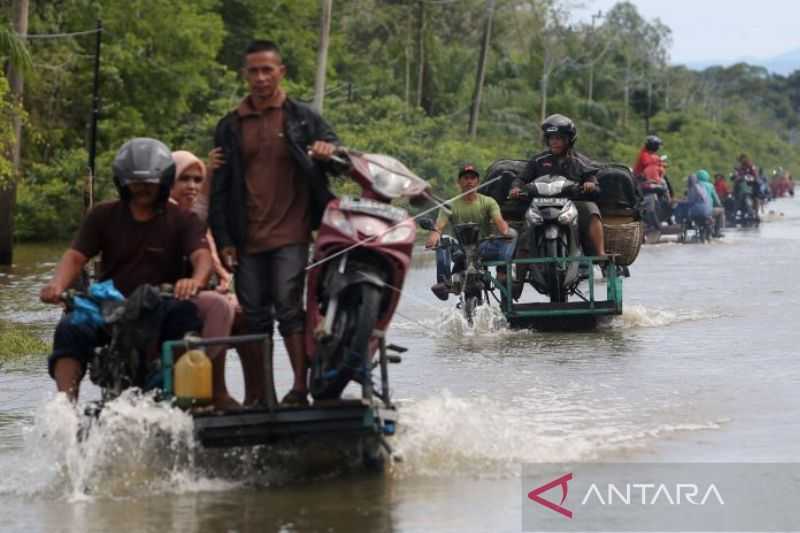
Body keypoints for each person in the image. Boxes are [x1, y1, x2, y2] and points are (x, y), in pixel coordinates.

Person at [208, 40, 339, 407]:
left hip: (293, 232)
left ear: (281, 72)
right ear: (245, 75)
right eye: (254, 71)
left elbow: (333, 145)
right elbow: (220, 188)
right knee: (254, 317)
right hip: (247, 237)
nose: (261, 77)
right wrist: (223, 239)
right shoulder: (230, 126)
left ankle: (299, 388)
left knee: (288, 308)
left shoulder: (301, 117)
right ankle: (261, 394)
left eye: (268, 70)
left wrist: (328, 151)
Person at [39, 138, 212, 401]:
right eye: (135, 182)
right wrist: (57, 285)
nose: (142, 188)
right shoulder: (102, 215)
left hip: (160, 304)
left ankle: (180, 396)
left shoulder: (183, 220)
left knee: (186, 315)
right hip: (110, 307)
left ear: (163, 182)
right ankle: (65, 408)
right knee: (70, 327)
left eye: (149, 183)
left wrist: (195, 281)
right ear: (123, 182)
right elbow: (75, 257)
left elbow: (202, 257)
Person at [511, 113, 605, 258]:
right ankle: (520, 274)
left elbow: (591, 178)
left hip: (571, 204)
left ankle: (600, 254)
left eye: (559, 138)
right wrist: (516, 188)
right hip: (540, 204)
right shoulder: (538, 160)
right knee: (526, 230)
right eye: (551, 139)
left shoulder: (580, 161)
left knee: (592, 211)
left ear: (569, 140)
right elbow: (521, 179)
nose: (554, 142)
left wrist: (590, 184)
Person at [425, 164, 517, 301]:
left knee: (513, 234)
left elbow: (499, 221)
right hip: (460, 249)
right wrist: (434, 235)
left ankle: (503, 272)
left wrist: (505, 230)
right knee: (443, 240)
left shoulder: (488, 202)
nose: (469, 181)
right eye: (465, 178)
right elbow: (439, 226)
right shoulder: (450, 204)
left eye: (473, 178)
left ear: (477, 182)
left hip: (483, 247)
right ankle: (444, 282)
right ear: (459, 183)